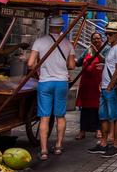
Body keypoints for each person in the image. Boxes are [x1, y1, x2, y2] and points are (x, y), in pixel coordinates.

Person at [27, 16, 75, 161]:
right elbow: (72, 66)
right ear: (61, 27)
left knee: (44, 117)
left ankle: (43, 150)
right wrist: (61, 65)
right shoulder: (67, 43)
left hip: (45, 82)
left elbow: (30, 63)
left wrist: (40, 69)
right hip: (61, 82)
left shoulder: (40, 41)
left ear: (50, 27)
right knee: (60, 116)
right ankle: (59, 146)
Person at [88, 21, 117, 158]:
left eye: (110, 34)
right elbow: (110, 65)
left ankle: (115, 145)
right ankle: (104, 143)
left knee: (115, 117)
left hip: (111, 88)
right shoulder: (112, 48)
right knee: (103, 115)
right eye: (106, 34)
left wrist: (110, 86)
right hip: (105, 87)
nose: (107, 37)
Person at [75, 32, 105, 140]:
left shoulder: (105, 49)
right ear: (91, 40)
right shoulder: (87, 50)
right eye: (94, 39)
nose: (96, 40)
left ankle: (98, 130)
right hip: (86, 84)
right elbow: (78, 62)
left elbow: (104, 60)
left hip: (98, 84)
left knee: (97, 108)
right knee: (85, 109)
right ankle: (82, 131)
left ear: (101, 39)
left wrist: (96, 51)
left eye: (98, 38)